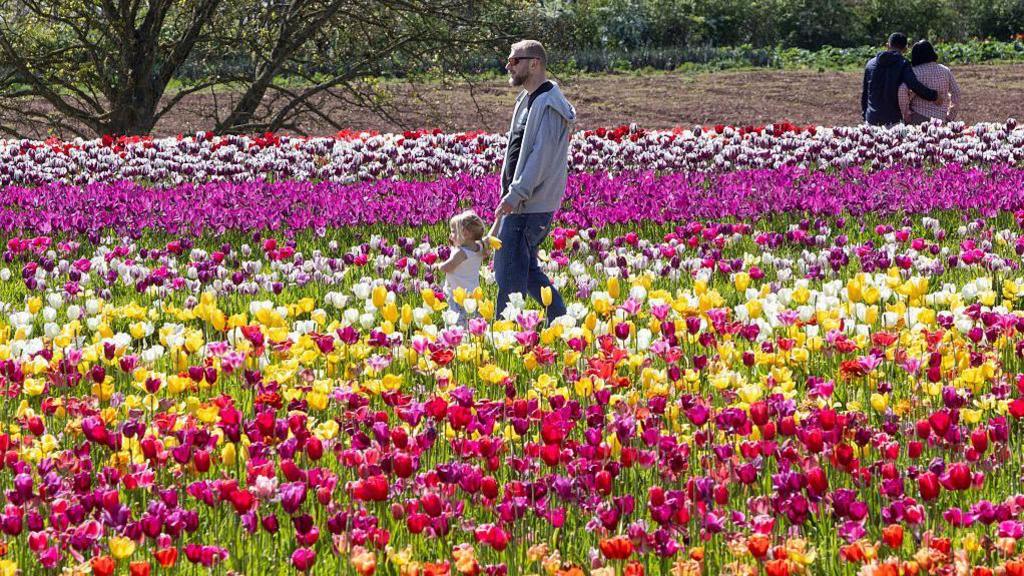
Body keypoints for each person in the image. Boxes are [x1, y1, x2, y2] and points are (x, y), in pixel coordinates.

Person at [494, 39, 575, 323]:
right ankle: (560, 320)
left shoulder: (550, 105)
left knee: (507, 275)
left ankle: (503, 332)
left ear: (534, 63)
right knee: (525, 270)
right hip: (522, 200)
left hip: (530, 204)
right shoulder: (528, 100)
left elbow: (540, 157)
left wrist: (517, 193)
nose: (508, 65)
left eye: (514, 60)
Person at [861, 33, 940, 126]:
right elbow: (914, 85)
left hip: (871, 117)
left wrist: (865, 115)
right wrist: (934, 96)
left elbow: (865, 93)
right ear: (906, 49)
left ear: (887, 45)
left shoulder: (870, 64)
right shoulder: (903, 63)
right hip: (892, 119)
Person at [436, 210, 489, 326]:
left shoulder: (461, 253)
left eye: (453, 232)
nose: (451, 235)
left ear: (465, 233)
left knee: (457, 325)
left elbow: (447, 267)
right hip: (473, 296)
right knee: (472, 324)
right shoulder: (479, 247)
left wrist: (438, 266)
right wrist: (499, 219)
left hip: (458, 297)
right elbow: (490, 237)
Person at [898, 40, 961, 124]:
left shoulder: (914, 72)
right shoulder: (945, 70)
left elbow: (902, 91)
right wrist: (950, 116)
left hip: (918, 118)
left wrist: (906, 114)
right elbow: (956, 92)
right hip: (941, 119)